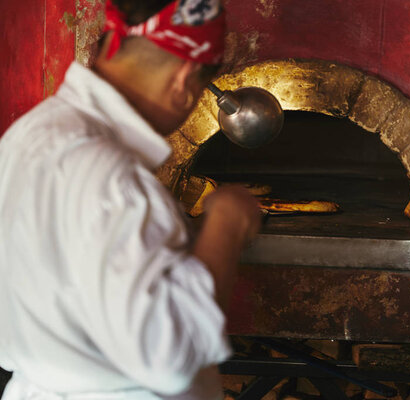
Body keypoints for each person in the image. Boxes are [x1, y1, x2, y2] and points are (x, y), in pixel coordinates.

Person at [0, 0, 261, 399]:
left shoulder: (25, 136)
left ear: (108, 45)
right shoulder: (113, 178)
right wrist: (226, 221)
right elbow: (168, 359)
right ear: (184, 80)